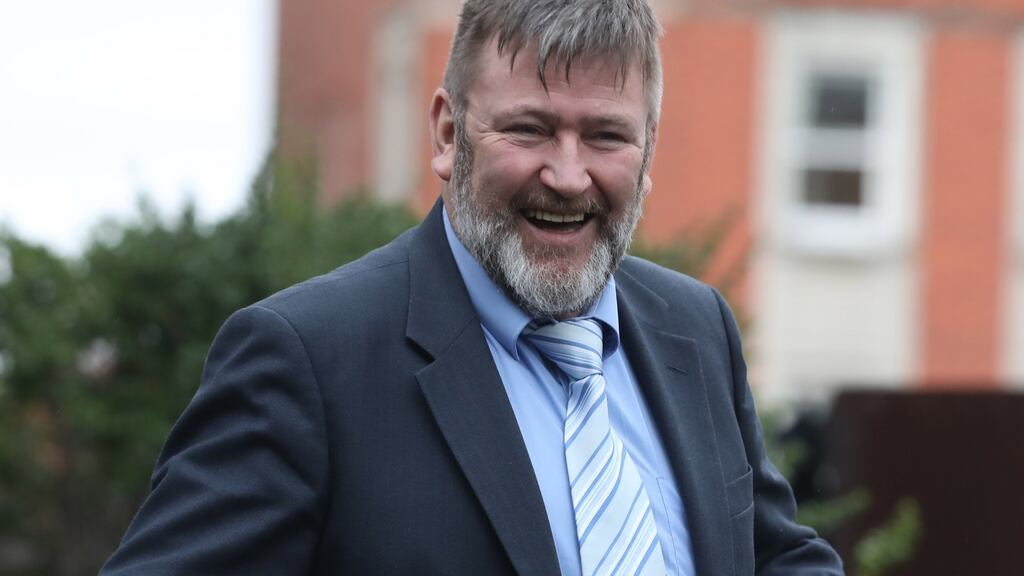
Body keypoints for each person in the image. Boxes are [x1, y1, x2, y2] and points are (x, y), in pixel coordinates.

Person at [103, 0, 843, 574]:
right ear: (448, 135)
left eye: (606, 137)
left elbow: (773, 558)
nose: (568, 174)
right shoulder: (307, 363)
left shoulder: (695, 329)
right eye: (528, 129)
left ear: (648, 150)